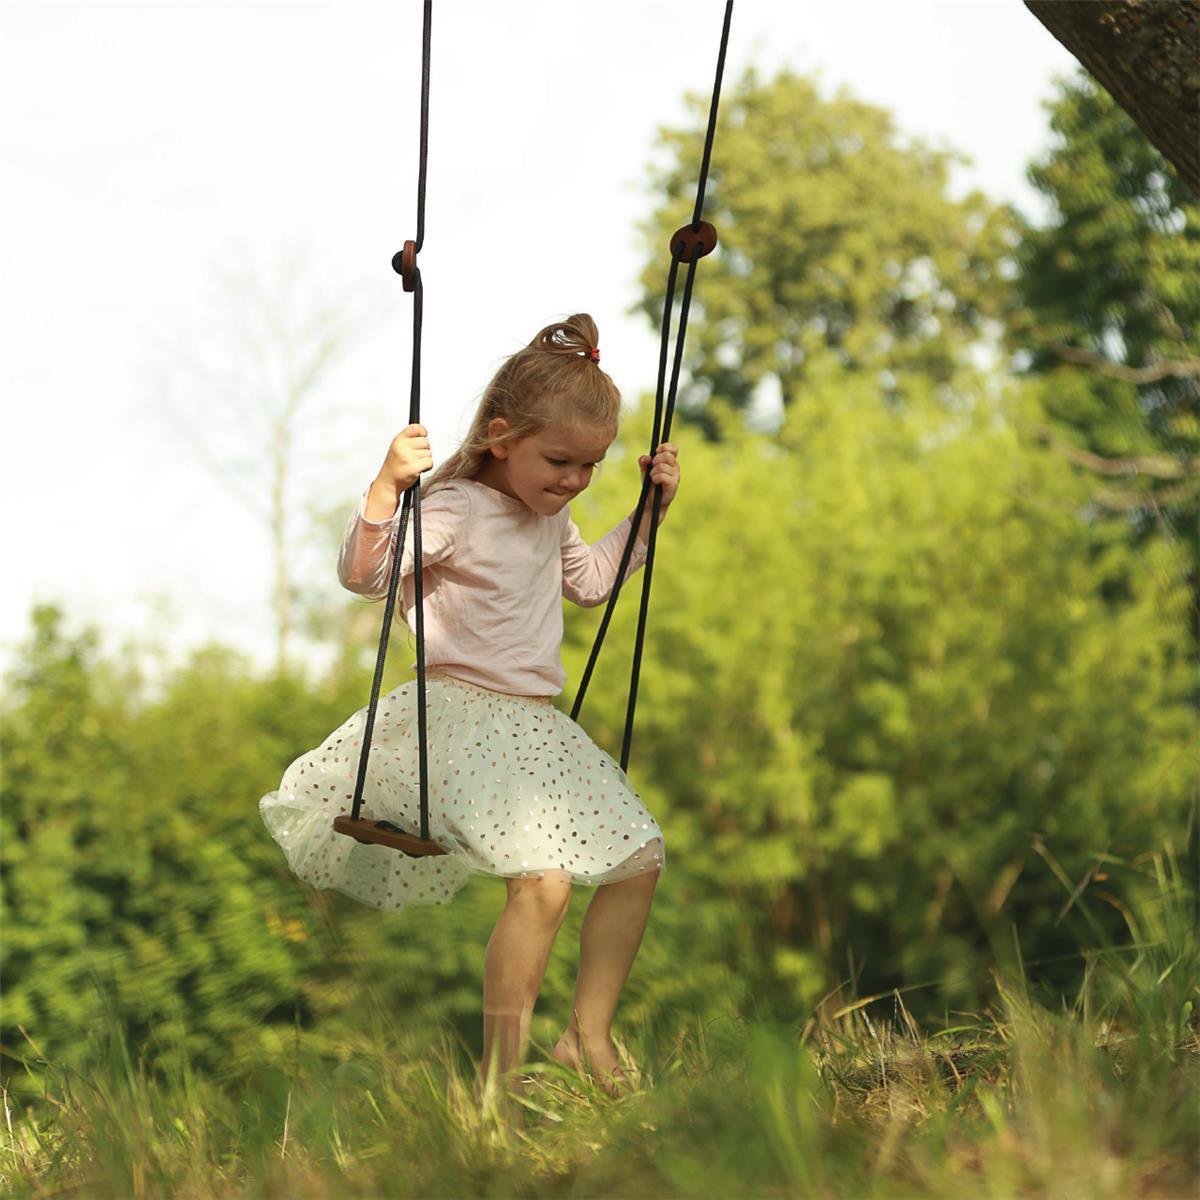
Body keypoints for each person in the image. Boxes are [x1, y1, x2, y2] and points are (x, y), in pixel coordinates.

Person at [258, 313, 680, 1103]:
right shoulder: (455, 508)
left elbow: (589, 583)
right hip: (457, 723)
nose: (572, 481)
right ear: (500, 436)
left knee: (640, 860)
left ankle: (585, 1036)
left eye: (590, 466)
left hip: (534, 729)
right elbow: (365, 573)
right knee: (545, 884)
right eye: (559, 461)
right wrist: (387, 485)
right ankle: (497, 1080)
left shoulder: (550, 515)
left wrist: (646, 514)